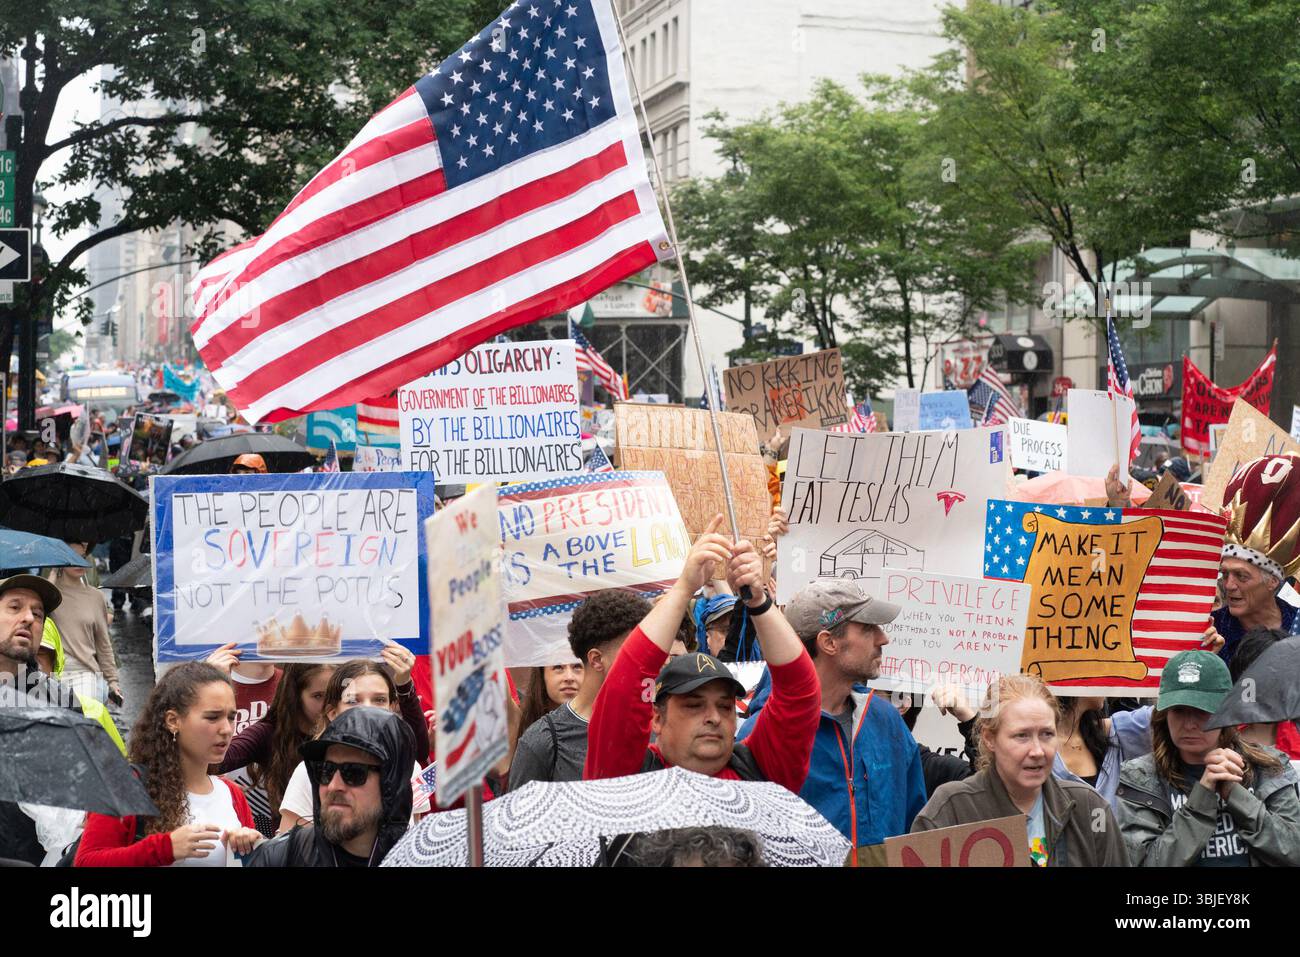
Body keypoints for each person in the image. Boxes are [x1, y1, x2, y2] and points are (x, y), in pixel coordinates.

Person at [584, 516, 820, 791]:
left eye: (724, 706)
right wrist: (684, 588)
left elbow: (800, 688)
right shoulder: (624, 777)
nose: (714, 717)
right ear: (657, 719)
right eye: (693, 705)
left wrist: (758, 600)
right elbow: (625, 683)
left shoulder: (761, 772)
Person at [740, 579, 925, 854]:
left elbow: (914, 827)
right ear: (828, 642)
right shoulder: (763, 734)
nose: (883, 638)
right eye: (867, 628)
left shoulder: (887, 721)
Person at [912, 674, 1128, 867]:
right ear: (989, 739)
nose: (1037, 751)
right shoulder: (950, 810)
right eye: (1021, 736)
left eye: (1046, 734)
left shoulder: (1090, 807)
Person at [1117, 650, 1300, 866]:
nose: (1189, 724)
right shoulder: (1140, 776)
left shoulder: (1268, 766)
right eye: (1178, 710)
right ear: (1164, 713)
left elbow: (1294, 851)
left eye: (1201, 711)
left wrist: (1236, 795)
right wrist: (1201, 798)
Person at [75, 663, 264, 866]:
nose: (226, 729)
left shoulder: (232, 793)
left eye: (231, 717)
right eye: (212, 717)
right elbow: (86, 861)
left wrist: (249, 847)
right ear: (173, 721)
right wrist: (165, 848)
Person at [508, 589, 650, 790]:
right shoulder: (542, 741)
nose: (645, 660)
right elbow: (519, 818)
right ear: (597, 659)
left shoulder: (656, 726)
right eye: (634, 651)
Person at [244, 706, 415, 867]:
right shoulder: (280, 858)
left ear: (391, 782)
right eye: (326, 770)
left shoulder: (422, 859)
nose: (334, 785)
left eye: (354, 772)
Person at [276, 660, 431, 832]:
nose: (367, 709)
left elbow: (412, 834)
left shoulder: (410, 768)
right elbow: (288, 850)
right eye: (352, 701)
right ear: (333, 713)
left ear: (392, 708)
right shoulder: (309, 772)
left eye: (379, 700)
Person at [1206, 452, 1300, 661]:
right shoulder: (1208, 630)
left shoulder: (1297, 625)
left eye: (1241, 576)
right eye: (1225, 573)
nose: (1229, 585)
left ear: (1273, 581)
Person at [215, 662, 336, 818]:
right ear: (295, 696)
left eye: (334, 695)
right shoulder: (269, 732)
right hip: (290, 837)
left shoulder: (347, 730)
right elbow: (209, 760)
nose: (329, 705)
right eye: (318, 696)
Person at [46, 542, 121, 707]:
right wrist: (52, 574)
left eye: (83, 557)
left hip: (85, 673)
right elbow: (39, 619)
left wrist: (112, 681)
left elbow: (103, 643)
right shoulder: (49, 593)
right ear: (60, 560)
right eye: (73, 557)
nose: (79, 562)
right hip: (51, 675)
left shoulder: (96, 597)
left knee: (83, 721)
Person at [512, 662, 584, 757]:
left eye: (577, 667)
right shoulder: (521, 721)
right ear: (542, 674)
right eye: (558, 667)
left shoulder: (601, 727)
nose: (569, 677)